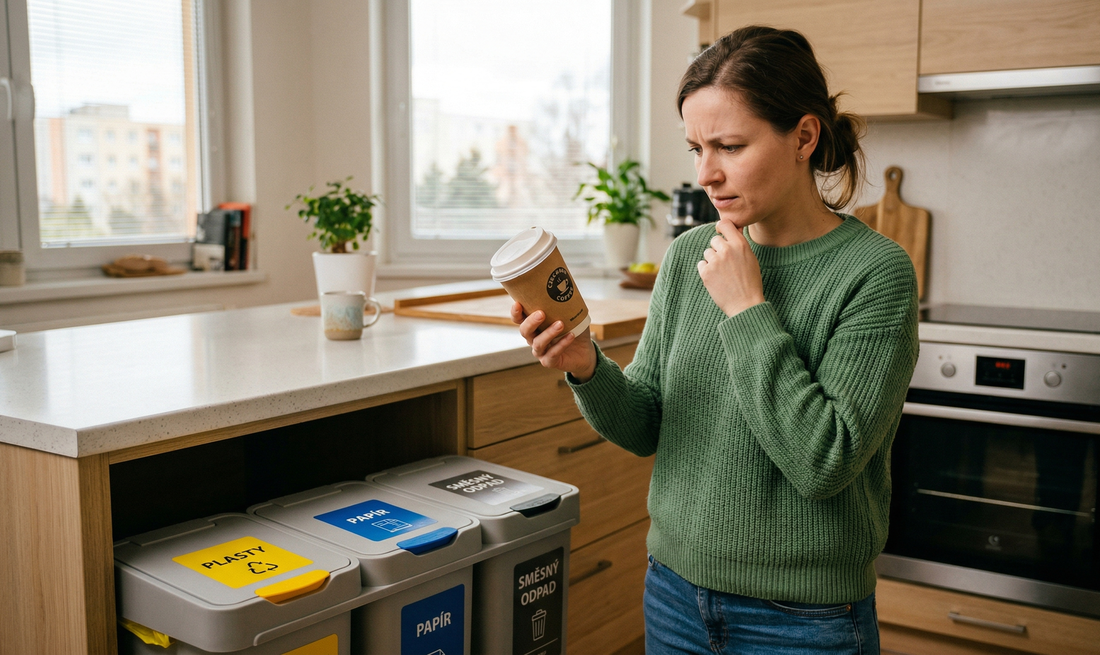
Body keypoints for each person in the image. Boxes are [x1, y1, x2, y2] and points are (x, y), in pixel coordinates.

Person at [511, 25, 918, 655]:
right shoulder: (687, 257)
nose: (706, 173)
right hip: (675, 595)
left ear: (804, 137)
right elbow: (647, 424)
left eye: (729, 145)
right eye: (696, 147)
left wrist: (747, 308)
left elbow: (824, 462)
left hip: (804, 620)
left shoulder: (876, 274)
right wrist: (586, 366)